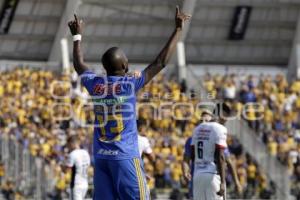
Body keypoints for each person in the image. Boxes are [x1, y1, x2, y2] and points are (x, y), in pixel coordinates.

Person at [68, 6, 190, 200]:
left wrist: (77, 37)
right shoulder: (128, 84)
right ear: (124, 65)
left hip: (101, 158)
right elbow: (160, 63)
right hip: (124, 157)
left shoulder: (95, 85)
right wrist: (177, 29)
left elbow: (79, 64)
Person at [191, 104, 232, 200]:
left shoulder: (197, 129)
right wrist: (222, 182)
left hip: (198, 175)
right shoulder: (220, 128)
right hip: (212, 175)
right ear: (222, 114)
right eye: (226, 117)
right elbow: (220, 156)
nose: (226, 120)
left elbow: (193, 155)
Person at [66, 135, 91, 200]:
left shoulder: (72, 154)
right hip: (85, 184)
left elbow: (67, 170)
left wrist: (62, 165)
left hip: (76, 185)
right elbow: (88, 167)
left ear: (72, 143)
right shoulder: (85, 152)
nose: (68, 147)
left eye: (68, 145)